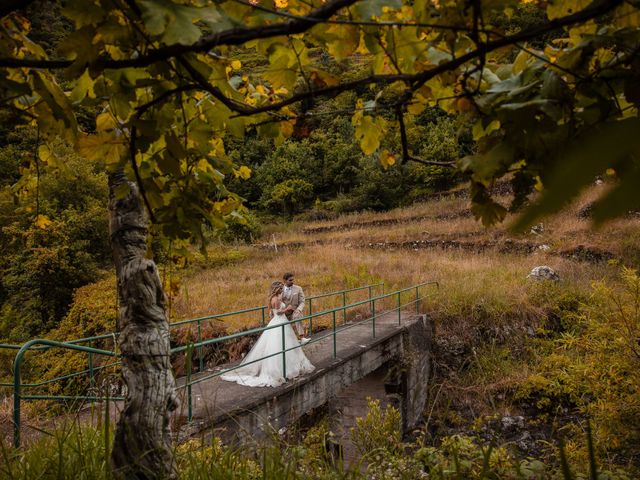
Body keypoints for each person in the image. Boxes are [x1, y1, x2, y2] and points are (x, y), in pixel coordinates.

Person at [220, 281, 314, 387]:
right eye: (281, 288)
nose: (283, 289)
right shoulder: (276, 299)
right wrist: (287, 309)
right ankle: (283, 369)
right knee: (281, 344)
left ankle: (283, 368)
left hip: (275, 321)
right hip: (280, 321)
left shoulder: (271, 299)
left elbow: (271, 312)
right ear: (278, 289)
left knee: (277, 345)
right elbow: (279, 312)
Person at [281, 272, 308, 342]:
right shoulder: (280, 289)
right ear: (284, 280)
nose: (292, 282)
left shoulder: (298, 288)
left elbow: (302, 301)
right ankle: (286, 341)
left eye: (293, 280)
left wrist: (299, 309)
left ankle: (302, 338)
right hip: (283, 312)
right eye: (290, 280)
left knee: (297, 315)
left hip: (294, 311)